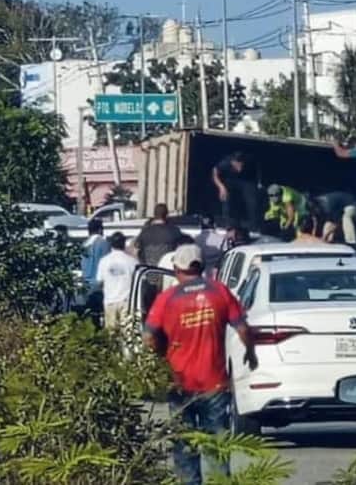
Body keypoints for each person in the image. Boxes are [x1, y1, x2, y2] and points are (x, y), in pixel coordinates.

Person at [143, 245, 258, 485]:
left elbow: (149, 338)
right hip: (215, 384)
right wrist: (250, 353)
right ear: (201, 265)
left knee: (184, 445)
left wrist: (162, 357)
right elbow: (244, 329)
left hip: (180, 383)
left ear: (176, 269)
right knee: (216, 446)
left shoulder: (167, 299)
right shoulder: (220, 292)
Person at [95, 232, 138, 329]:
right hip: (127, 303)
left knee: (111, 334)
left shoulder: (104, 261)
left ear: (111, 244)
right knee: (127, 335)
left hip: (110, 301)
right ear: (123, 244)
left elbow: (99, 282)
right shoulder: (133, 262)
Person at [212, 151, 258, 229]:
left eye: (241, 165)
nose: (239, 167)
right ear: (233, 162)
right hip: (230, 180)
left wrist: (259, 183)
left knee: (251, 199)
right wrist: (221, 187)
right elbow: (214, 173)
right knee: (226, 197)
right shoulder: (225, 163)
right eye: (237, 165)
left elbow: (258, 168)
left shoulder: (248, 161)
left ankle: (253, 225)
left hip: (244, 180)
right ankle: (227, 223)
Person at [80, 218, 110, 292]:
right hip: (99, 284)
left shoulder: (84, 244)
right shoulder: (103, 243)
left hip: (86, 283)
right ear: (100, 230)